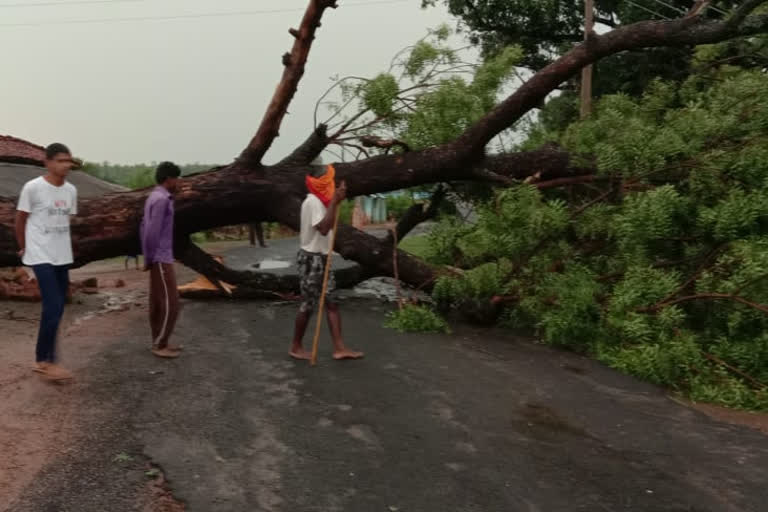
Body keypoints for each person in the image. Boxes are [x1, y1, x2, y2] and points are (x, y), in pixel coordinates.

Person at [15, 143, 78, 381]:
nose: (66, 165)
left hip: (62, 256)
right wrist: (24, 246)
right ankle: (45, 360)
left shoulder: (71, 190)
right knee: (54, 306)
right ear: (48, 162)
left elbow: (68, 221)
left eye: (68, 161)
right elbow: (20, 219)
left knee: (57, 306)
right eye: (61, 160)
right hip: (40, 255)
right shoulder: (33, 188)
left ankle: (46, 356)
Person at [289, 164, 363, 361]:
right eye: (328, 180)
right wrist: (335, 202)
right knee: (308, 305)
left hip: (322, 257)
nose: (332, 184)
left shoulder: (322, 201)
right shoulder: (313, 202)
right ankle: (296, 347)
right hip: (311, 259)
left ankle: (339, 348)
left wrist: (335, 201)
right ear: (320, 182)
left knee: (331, 303)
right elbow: (323, 228)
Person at [141, 162, 183, 359]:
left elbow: (144, 226)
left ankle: (158, 340)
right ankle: (160, 344)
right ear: (169, 179)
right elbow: (151, 231)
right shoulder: (162, 200)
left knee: (157, 300)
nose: (179, 182)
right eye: (177, 178)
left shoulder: (155, 196)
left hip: (157, 256)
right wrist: (150, 258)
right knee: (171, 302)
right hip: (160, 257)